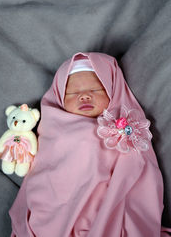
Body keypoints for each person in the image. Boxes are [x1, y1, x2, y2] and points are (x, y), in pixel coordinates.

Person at [9, 52, 170, 237]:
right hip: (51, 206)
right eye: (74, 92)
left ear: (112, 92)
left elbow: (140, 175)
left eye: (95, 90)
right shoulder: (51, 128)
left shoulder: (123, 130)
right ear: (59, 97)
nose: (84, 97)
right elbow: (42, 170)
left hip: (98, 211)